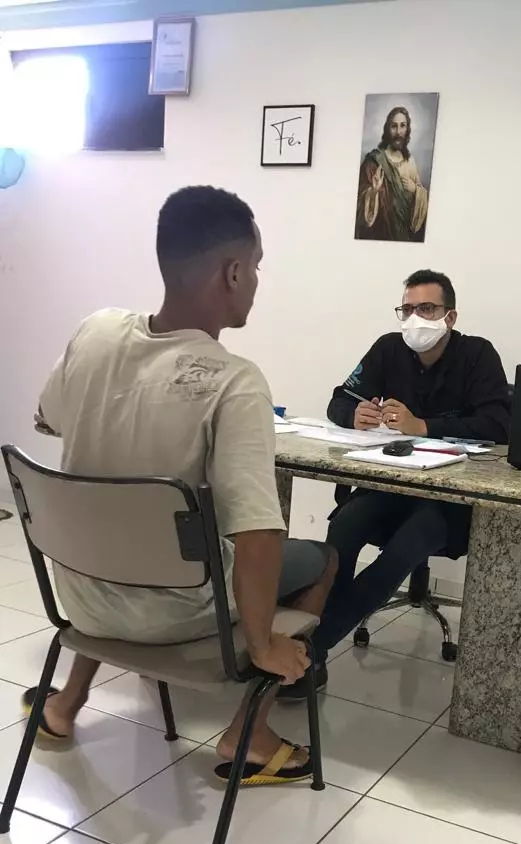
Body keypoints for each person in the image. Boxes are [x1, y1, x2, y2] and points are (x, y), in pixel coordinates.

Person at [31, 185, 337, 786]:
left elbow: (47, 419)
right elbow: (256, 533)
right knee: (321, 559)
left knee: (117, 528)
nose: (256, 281)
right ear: (233, 273)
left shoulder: (96, 331)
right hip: (172, 615)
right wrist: (263, 643)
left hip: (81, 600)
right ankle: (250, 733)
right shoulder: (235, 382)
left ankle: (65, 703)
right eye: (255, 268)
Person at [278, 269, 510, 701]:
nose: (415, 318)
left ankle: (310, 649)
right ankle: (310, 647)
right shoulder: (389, 348)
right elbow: (339, 399)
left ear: (450, 316)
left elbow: (498, 424)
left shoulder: (478, 355)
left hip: (448, 501)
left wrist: (424, 426)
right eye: (407, 309)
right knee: (344, 528)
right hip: (390, 488)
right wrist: (353, 415)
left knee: (404, 547)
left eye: (428, 309)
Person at [355, 106, 429, 243]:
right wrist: (373, 191)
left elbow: (422, 206)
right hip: (380, 238)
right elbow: (358, 202)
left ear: (407, 129)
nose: (398, 132)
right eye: (394, 126)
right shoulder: (374, 161)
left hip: (406, 240)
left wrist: (415, 190)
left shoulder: (410, 162)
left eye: (403, 126)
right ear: (387, 129)